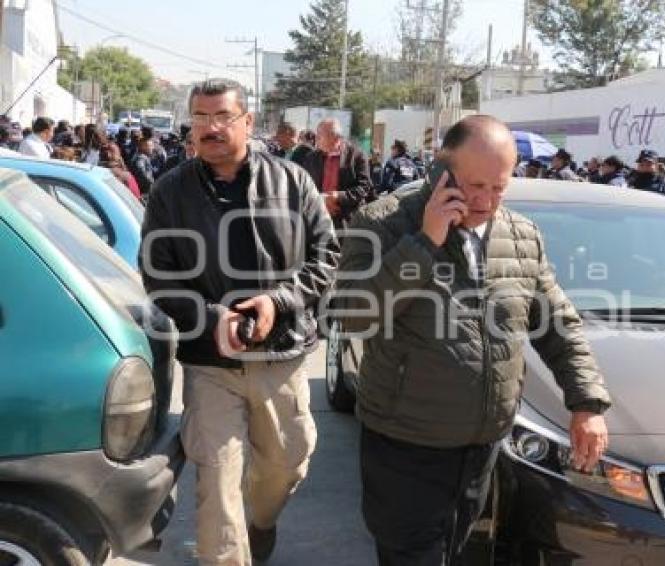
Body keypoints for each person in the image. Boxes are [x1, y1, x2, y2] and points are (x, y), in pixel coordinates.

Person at [335, 114, 611, 565]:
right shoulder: (383, 223)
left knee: (455, 551)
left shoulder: (522, 237)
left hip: (482, 447)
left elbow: (558, 323)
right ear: (442, 171)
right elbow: (352, 315)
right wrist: (424, 242)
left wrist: (587, 402)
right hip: (406, 448)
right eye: (474, 186)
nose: (485, 201)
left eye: (499, 188)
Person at [140, 78, 339, 564]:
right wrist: (211, 318)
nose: (209, 127)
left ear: (248, 122)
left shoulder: (292, 183)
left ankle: (262, 523)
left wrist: (280, 301)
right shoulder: (170, 192)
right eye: (200, 118)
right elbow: (158, 274)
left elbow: (327, 256)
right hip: (211, 363)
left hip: (282, 356)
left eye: (222, 117)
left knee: (287, 465)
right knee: (217, 482)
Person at [302, 117, 372, 229]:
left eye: (320, 135)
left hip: (347, 221)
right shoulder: (311, 158)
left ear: (335, 138)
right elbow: (304, 187)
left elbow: (364, 187)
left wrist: (338, 196)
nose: (316, 138)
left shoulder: (357, 156)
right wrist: (321, 201)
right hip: (317, 217)